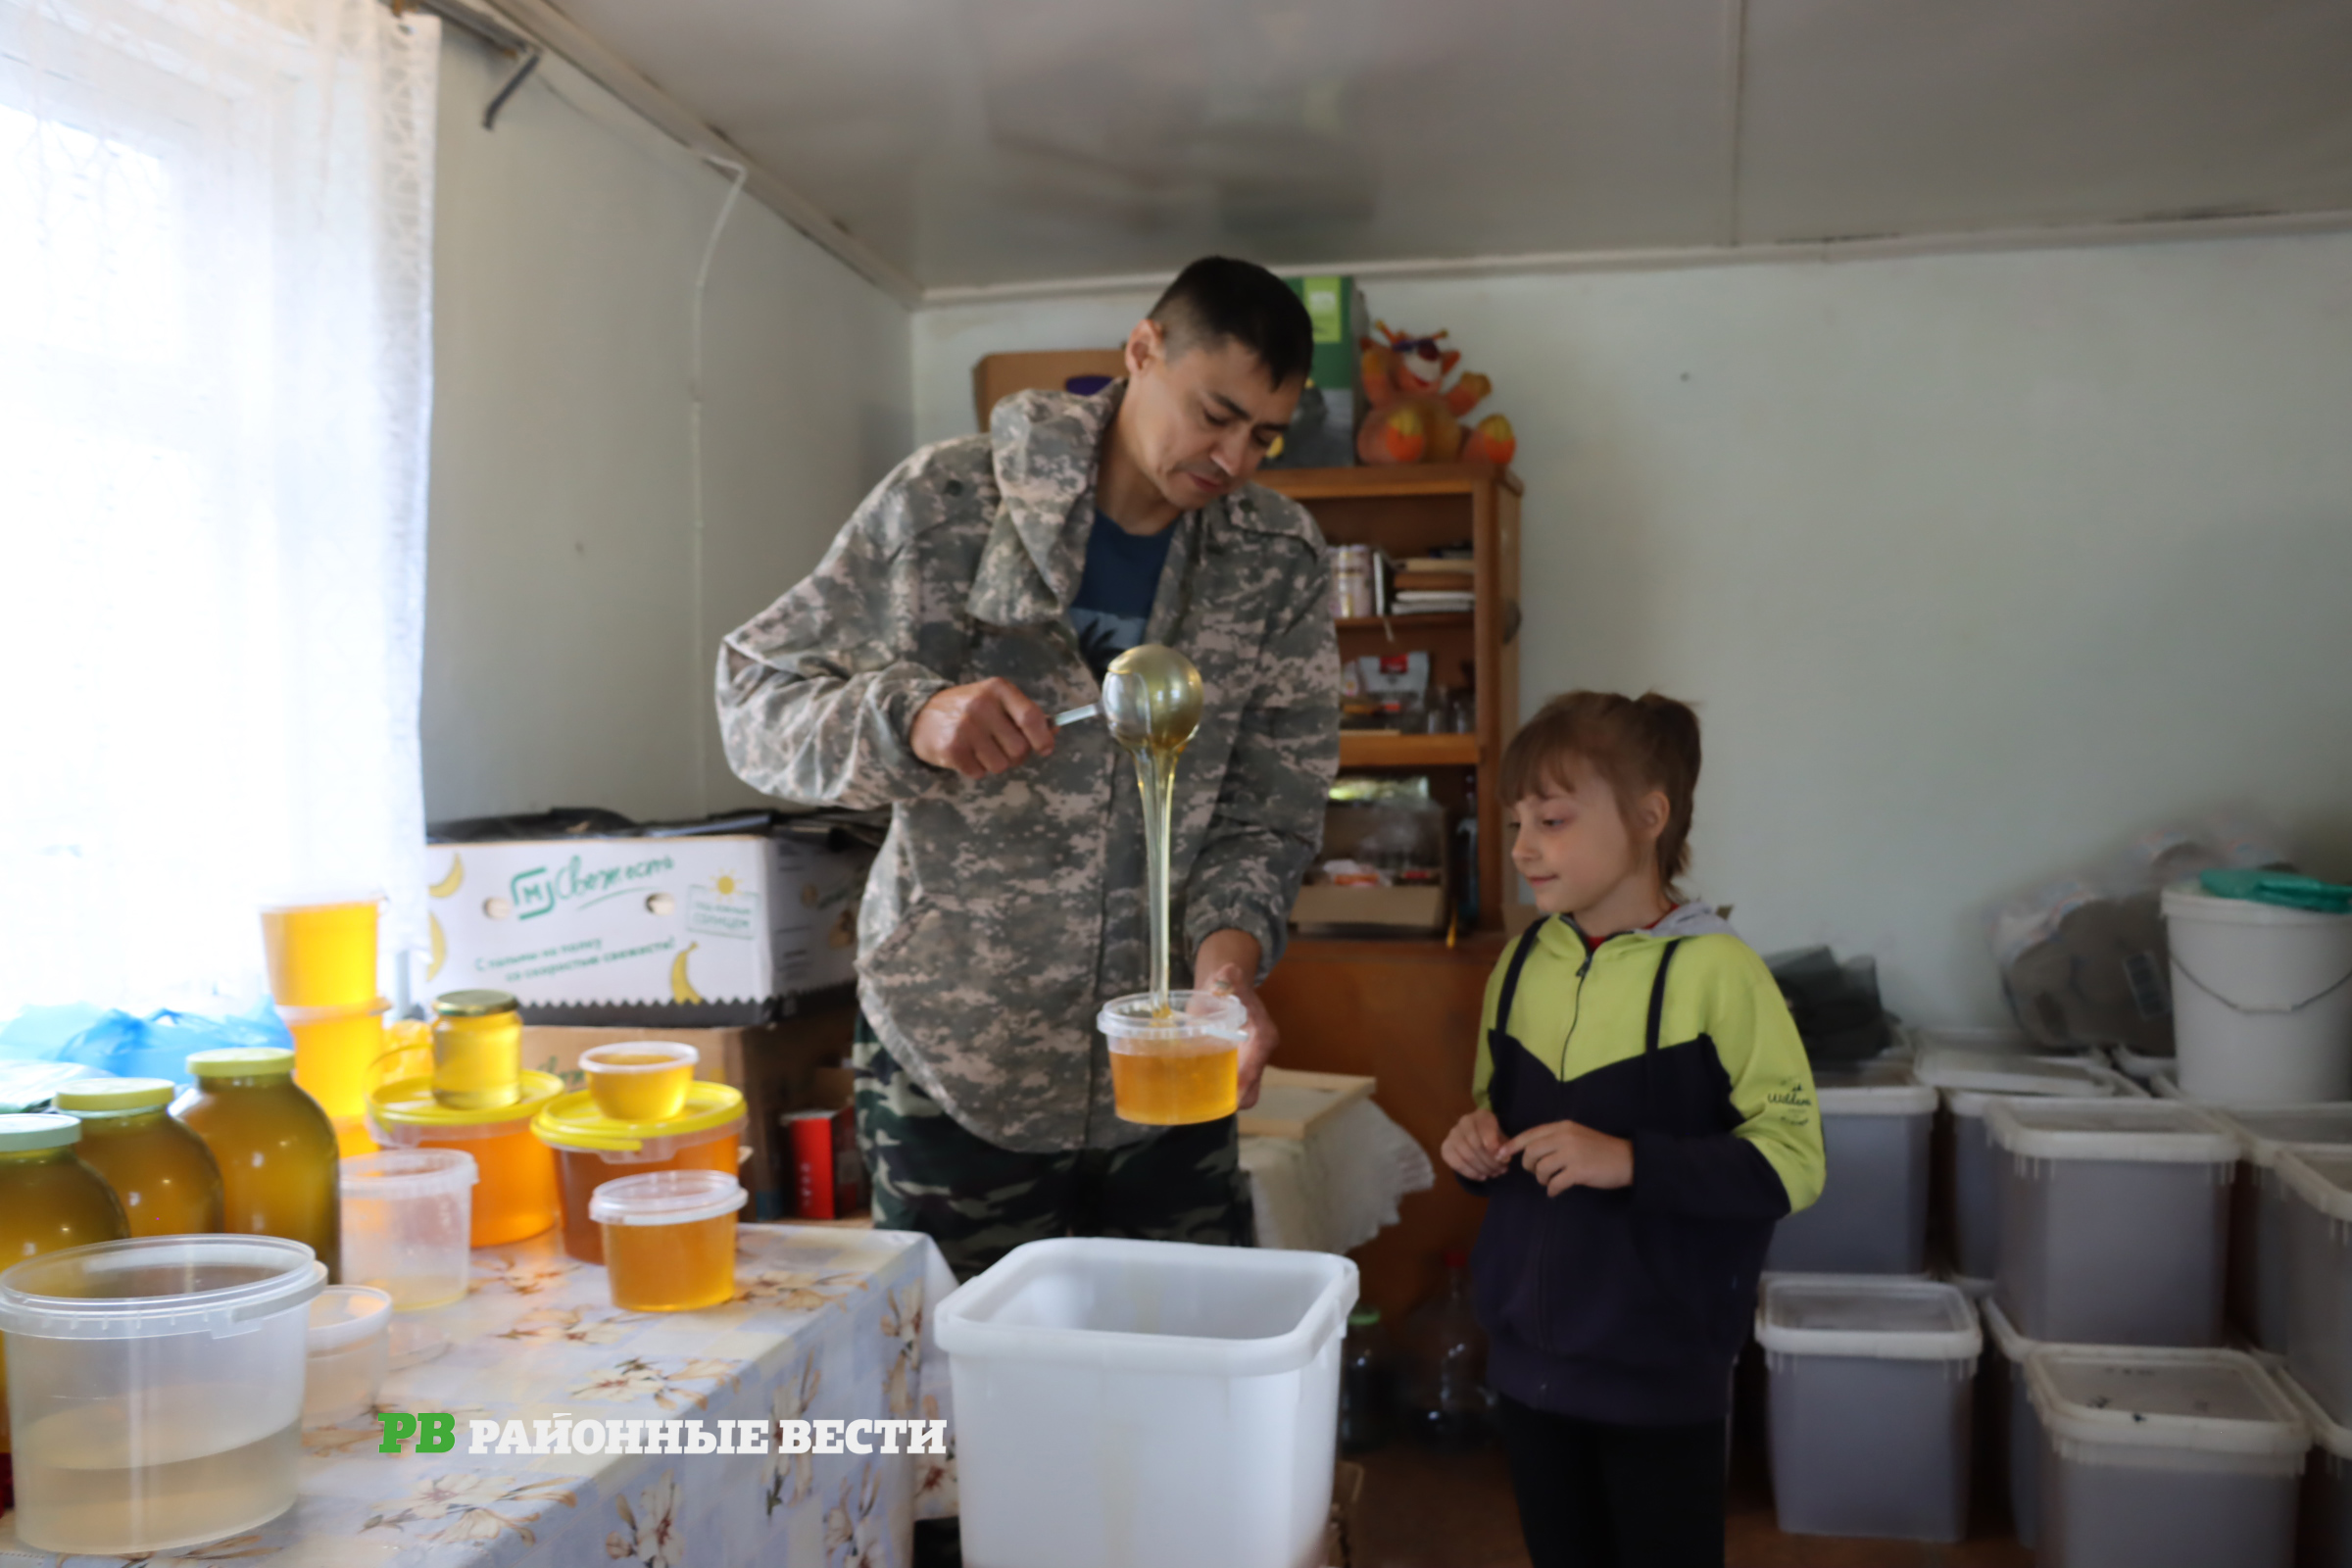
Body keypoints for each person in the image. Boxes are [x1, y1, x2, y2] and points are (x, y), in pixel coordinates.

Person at [716, 257, 1342, 1280]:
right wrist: (914, 717)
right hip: (957, 1061)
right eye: (1216, 415)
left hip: (1166, 1068)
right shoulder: (946, 505)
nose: (1233, 458)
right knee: (967, 1365)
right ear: (1143, 351)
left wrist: (1225, 978)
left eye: (1264, 436)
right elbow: (755, 701)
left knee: (1171, 1357)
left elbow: (1268, 815)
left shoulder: (1275, 560)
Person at [1440, 691, 1824, 1568]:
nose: (1522, 848)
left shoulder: (1720, 973)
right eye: (1517, 821)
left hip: (1659, 1372)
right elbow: (1491, 1118)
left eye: (1552, 820)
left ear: (1650, 818)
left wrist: (1629, 1162)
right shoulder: (1520, 963)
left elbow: (1794, 1163)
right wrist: (1474, 1149)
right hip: (1528, 1366)